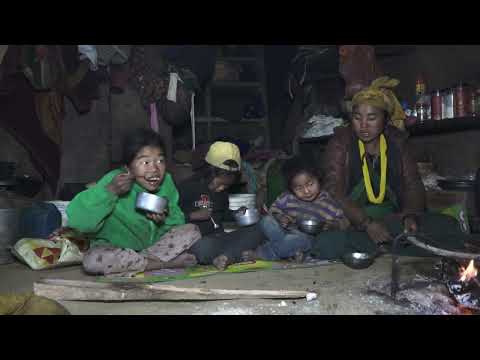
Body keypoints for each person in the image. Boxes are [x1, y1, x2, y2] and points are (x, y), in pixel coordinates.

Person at [311, 77, 467, 260]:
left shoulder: (397, 142)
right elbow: (333, 190)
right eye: (357, 118)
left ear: (384, 120)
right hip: (353, 221)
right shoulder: (340, 142)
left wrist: (410, 216)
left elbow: (413, 185)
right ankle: (391, 250)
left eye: (371, 118)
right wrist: (367, 223)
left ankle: (385, 250)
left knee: (448, 226)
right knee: (326, 243)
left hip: (393, 220)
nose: (363, 125)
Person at [67, 128, 201, 276]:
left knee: (192, 230)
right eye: (146, 162)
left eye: (160, 161)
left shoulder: (166, 182)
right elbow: (79, 224)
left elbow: (178, 220)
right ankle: (165, 264)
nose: (155, 169)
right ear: (127, 167)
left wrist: (164, 219)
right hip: (115, 249)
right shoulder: (113, 181)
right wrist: (110, 192)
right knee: (93, 260)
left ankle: (141, 263)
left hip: (152, 250)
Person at [178, 141, 266, 270]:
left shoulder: (222, 192)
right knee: (202, 249)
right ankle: (233, 255)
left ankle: (226, 257)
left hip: (221, 238)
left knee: (260, 228)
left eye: (226, 186)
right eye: (218, 184)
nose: (221, 189)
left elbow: (222, 213)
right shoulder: (188, 187)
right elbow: (170, 218)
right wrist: (192, 216)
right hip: (200, 241)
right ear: (208, 171)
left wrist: (237, 214)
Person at [249, 157, 348, 262]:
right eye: (299, 188)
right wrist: (280, 217)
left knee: (300, 241)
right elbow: (273, 211)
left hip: (305, 238)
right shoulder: (287, 197)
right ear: (291, 188)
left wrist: (332, 225)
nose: (306, 191)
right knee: (266, 221)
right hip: (282, 232)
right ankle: (290, 253)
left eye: (310, 184)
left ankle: (265, 253)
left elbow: (344, 222)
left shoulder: (327, 202)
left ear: (318, 179)